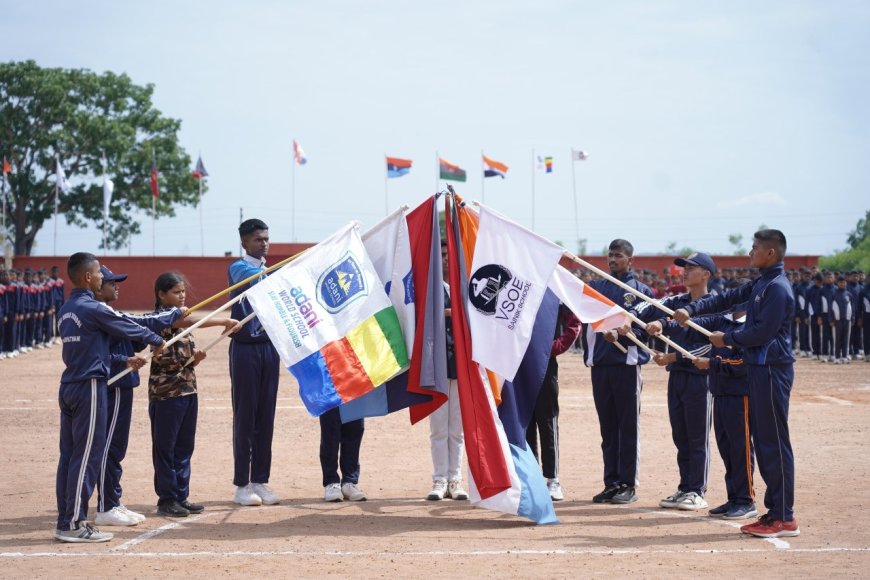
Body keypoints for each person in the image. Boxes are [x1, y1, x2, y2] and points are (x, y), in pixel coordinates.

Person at [673, 229, 799, 538]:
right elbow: (727, 298)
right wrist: (690, 309)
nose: (749, 253)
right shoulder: (761, 284)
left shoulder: (778, 289)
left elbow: (761, 333)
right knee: (765, 441)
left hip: (771, 370)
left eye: (755, 248)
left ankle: (784, 516)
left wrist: (725, 338)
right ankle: (774, 512)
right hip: (759, 370)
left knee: (773, 443)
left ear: (771, 253)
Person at [54, 252, 164, 543]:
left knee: (69, 457)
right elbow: (127, 325)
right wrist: (156, 340)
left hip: (69, 385)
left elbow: (93, 346)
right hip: (90, 386)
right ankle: (74, 524)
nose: (104, 277)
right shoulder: (92, 307)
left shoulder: (66, 309)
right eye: (99, 274)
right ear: (88, 277)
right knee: (87, 456)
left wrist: (123, 359)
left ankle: (65, 519)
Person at [149, 271, 240, 517]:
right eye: (176, 292)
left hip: (187, 389)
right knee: (166, 448)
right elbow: (185, 323)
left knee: (184, 446)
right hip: (166, 394)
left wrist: (194, 360)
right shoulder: (160, 318)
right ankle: (166, 499)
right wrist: (223, 321)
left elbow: (178, 359)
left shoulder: (182, 316)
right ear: (161, 295)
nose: (182, 296)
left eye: (183, 291)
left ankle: (181, 495)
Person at [637, 252, 716, 511]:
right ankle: (684, 487)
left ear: (706, 274)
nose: (684, 272)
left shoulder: (715, 304)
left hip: (700, 379)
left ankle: (697, 490)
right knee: (680, 435)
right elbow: (667, 318)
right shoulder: (679, 301)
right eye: (684, 267)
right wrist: (658, 324)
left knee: (697, 437)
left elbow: (711, 348)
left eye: (691, 268)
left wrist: (675, 356)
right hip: (678, 377)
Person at [580, 239, 654, 505]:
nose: (613, 260)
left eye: (618, 256)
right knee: (608, 428)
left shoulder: (641, 290)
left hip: (626, 365)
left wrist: (627, 331)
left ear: (630, 260)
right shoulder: (597, 287)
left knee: (627, 427)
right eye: (610, 255)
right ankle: (611, 482)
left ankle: (628, 484)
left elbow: (648, 327)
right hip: (600, 365)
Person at [678, 283, 758, 520]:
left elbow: (744, 364)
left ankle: (746, 500)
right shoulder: (723, 321)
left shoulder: (752, 327)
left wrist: (712, 364)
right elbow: (698, 326)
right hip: (720, 393)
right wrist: (672, 321)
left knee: (741, 448)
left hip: (739, 395)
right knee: (726, 448)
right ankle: (734, 497)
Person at [228, 219, 281, 506]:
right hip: (245, 349)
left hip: (268, 348)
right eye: (258, 239)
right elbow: (254, 282)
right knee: (245, 416)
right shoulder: (240, 268)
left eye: (266, 239)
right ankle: (241, 484)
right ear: (245, 242)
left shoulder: (266, 270)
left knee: (266, 417)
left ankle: (260, 480)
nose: (264, 244)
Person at [427, 240, 468, 501]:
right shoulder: (430, 287)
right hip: (437, 366)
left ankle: (456, 478)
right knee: (439, 428)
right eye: (441, 255)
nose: (444, 259)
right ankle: (439, 479)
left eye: (448, 254)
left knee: (458, 429)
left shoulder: (465, 286)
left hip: (461, 366)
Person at [526, 303, 580, 501]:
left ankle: (552, 479)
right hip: (519, 367)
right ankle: (531, 479)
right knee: (525, 425)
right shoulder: (520, 287)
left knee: (547, 422)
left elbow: (574, 322)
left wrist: (554, 347)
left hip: (545, 366)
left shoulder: (555, 294)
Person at [319, 408, 367, 502]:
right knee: (330, 429)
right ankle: (331, 482)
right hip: (330, 394)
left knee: (355, 427)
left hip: (354, 394)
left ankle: (349, 481)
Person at [831, 276, 853, 365]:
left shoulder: (848, 294)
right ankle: (837, 357)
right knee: (837, 339)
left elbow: (852, 307)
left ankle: (844, 356)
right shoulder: (834, 294)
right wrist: (831, 319)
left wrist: (853, 317)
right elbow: (831, 308)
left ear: (846, 283)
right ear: (837, 283)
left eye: (844, 282)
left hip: (847, 320)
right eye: (840, 282)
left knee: (846, 339)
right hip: (837, 320)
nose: (842, 284)